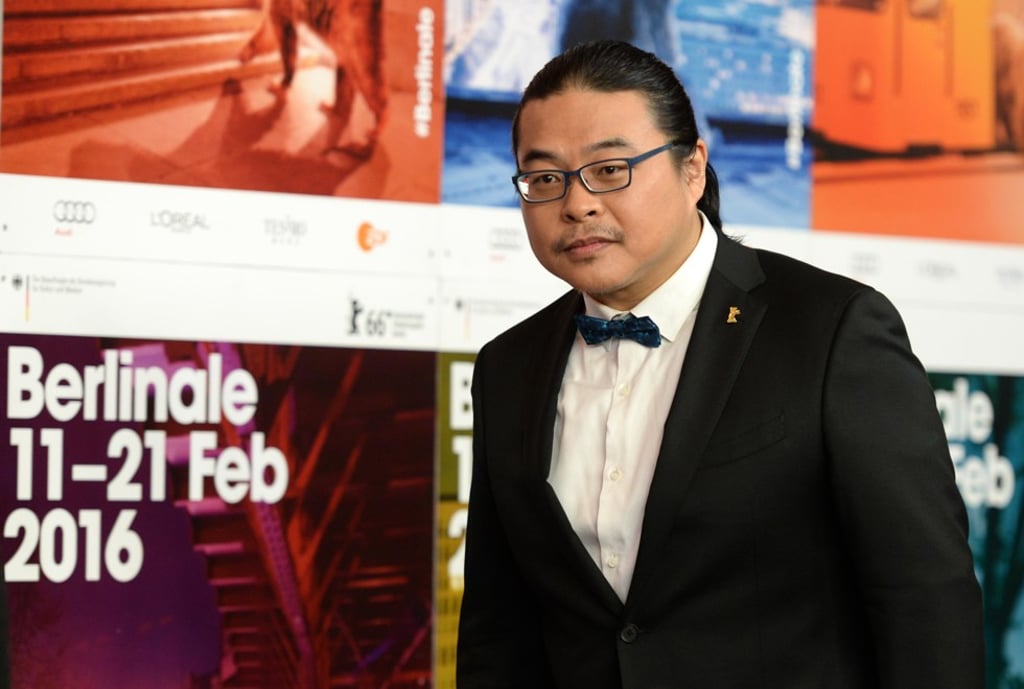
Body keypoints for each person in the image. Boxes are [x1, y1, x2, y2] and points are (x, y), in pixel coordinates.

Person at [456, 40, 984, 689]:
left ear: (692, 169)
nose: (577, 203)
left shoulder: (831, 330)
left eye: (611, 169)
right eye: (544, 178)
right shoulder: (507, 366)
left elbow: (926, 605)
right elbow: (497, 629)